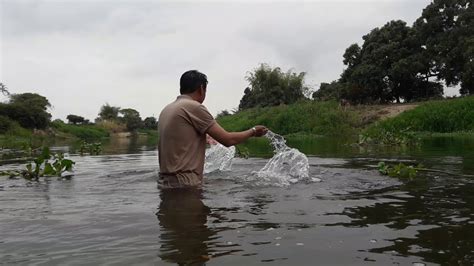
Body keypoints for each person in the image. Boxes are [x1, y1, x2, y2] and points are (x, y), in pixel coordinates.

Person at [158, 70, 268, 188]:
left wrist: (204, 136)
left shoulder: (166, 110)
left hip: (165, 183)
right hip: (186, 185)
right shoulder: (194, 107)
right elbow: (228, 140)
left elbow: (180, 141)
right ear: (201, 88)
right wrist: (253, 131)